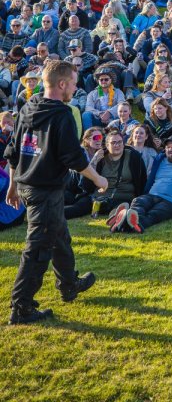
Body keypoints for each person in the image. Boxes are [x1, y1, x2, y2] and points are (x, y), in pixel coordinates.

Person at [4, 60, 108, 325]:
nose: (74, 88)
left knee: (59, 235)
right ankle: (21, 307)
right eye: (73, 83)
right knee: (38, 248)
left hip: (29, 187)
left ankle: (69, 283)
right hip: (44, 191)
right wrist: (99, 179)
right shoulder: (61, 113)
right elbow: (73, 157)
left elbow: (14, 152)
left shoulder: (29, 106)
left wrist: (15, 185)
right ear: (62, 84)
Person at [108, 135, 172, 234]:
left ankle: (125, 222)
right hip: (152, 195)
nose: (170, 149)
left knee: (155, 213)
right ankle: (128, 220)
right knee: (138, 202)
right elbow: (151, 179)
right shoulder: (159, 159)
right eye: (168, 147)